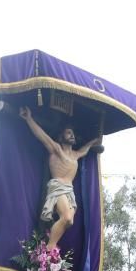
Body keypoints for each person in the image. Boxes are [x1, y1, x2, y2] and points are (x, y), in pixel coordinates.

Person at [19, 106, 101, 251]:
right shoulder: (56, 149)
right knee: (67, 218)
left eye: (73, 133)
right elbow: (41, 136)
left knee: (69, 222)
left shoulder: (76, 155)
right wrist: (29, 119)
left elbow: (86, 149)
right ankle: (49, 249)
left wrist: (93, 141)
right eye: (69, 133)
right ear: (61, 136)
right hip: (57, 187)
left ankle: (49, 247)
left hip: (69, 191)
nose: (72, 135)